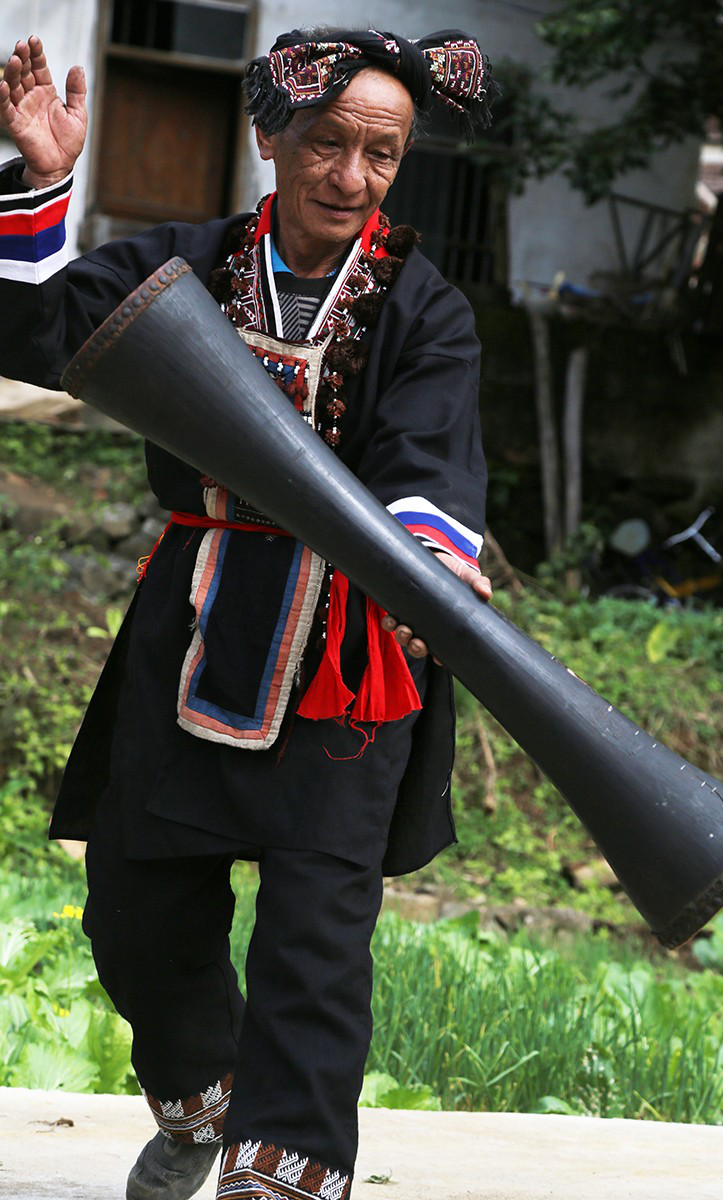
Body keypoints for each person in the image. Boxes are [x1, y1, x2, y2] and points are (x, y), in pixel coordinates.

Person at [0, 27, 495, 1200]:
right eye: (326, 143)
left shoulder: (425, 312)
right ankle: (202, 1101)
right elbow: (34, 335)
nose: (351, 176)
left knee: (315, 936)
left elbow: (429, 464)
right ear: (270, 138)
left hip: (351, 647)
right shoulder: (185, 265)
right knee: (133, 907)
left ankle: (286, 1171)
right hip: (197, 618)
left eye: (381, 154)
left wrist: (427, 567)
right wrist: (44, 183)